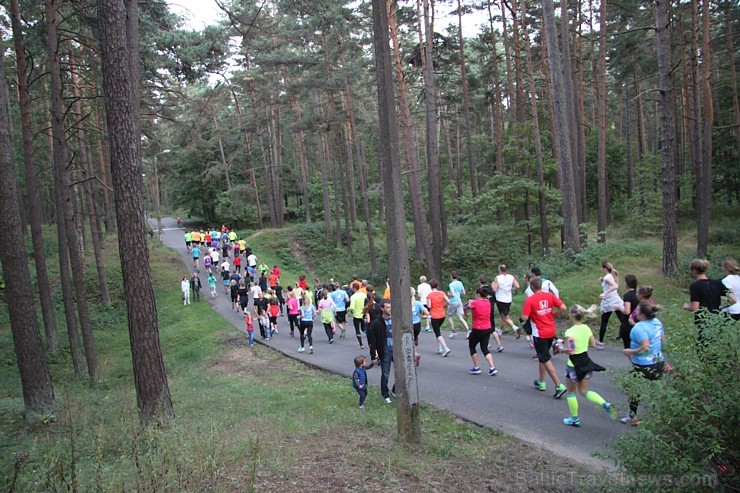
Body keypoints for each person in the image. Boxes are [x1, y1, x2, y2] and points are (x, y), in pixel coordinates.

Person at [561, 305, 616, 427]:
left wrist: (561, 349)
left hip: (573, 365)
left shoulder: (570, 332)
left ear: (571, 316)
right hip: (586, 362)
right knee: (584, 391)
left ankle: (574, 419)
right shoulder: (586, 328)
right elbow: (593, 343)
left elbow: (571, 350)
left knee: (571, 392)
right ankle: (604, 404)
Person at [521, 276, 568, 399]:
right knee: (543, 356)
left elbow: (525, 317)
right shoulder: (550, 296)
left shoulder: (530, 300)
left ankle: (559, 385)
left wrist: (522, 318)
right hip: (551, 331)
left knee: (545, 358)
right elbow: (563, 307)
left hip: (539, 333)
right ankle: (542, 382)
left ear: (532, 287)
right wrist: (554, 314)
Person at [620, 301, 666, 425]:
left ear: (641, 315)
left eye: (637, 310)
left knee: (635, 389)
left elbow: (645, 346)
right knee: (658, 388)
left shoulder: (638, 328)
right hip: (658, 360)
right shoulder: (657, 322)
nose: (635, 311)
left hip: (643, 364)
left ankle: (632, 417)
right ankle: (662, 417)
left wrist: (630, 352)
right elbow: (661, 339)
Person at [683, 259, 736, 341]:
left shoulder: (695, 286)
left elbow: (695, 308)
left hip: (703, 321)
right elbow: (733, 299)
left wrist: (686, 306)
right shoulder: (717, 283)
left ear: (694, 270)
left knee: (703, 346)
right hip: (718, 320)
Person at [367, 299, 396, 404]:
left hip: (396, 351)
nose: (390, 309)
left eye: (391, 306)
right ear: (382, 309)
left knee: (402, 372)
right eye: (388, 307)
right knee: (385, 374)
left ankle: (395, 390)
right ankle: (385, 394)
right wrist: (373, 357)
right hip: (385, 352)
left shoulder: (396, 319)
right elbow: (373, 341)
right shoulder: (377, 323)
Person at [465, 287, 498, 376]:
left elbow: (466, 307)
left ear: (478, 295)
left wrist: (468, 304)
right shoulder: (488, 302)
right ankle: (492, 367)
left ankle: (476, 367)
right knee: (484, 348)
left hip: (477, 328)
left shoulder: (475, 303)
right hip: (487, 328)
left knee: (472, 346)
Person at [597, 261, 627, 348]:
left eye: (602, 268)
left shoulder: (607, 277)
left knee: (604, 322)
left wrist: (604, 293)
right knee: (622, 320)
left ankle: (600, 342)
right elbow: (613, 285)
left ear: (605, 268)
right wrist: (603, 281)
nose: (601, 269)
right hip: (615, 300)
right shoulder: (610, 276)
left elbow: (615, 286)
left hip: (609, 302)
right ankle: (626, 337)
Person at [493, 264, 521, 340]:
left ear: (500, 270)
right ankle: (500, 332)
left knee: (505, 318)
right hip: (508, 299)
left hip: (500, 299)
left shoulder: (498, 278)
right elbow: (517, 286)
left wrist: (493, 285)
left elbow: (495, 289)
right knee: (503, 317)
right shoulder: (511, 277)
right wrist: (511, 289)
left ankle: (515, 328)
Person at [426, 280, 452, 357]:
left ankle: (445, 348)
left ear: (430, 286)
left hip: (435, 316)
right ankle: (439, 347)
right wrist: (444, 305)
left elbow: (429, 306)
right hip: (442, 315)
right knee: (438, 331)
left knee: (438, 333)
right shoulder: (442, 293)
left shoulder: (429, 295)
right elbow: (449, 301)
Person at [410, 287, 430, 367]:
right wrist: (422, 316)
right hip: (417, 324)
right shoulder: (418, 303)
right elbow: (427, 313)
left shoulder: (404, 303)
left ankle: (412, 355)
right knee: (413, 339)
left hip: (408, 324)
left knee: (408, 340)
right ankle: (415, 352)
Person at [447, 272, 469, 337]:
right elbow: (464, 292)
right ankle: (468, 330)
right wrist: (458, 293)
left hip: (453, 302)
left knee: (449, 316)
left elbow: (453, 294)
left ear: (451, 277)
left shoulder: (451, 284)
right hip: (459, 301)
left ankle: (453, 331)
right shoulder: (460, 283)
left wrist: (449, 294)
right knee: (460, 317)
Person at [620, 274, 639, 349]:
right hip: (637, 321)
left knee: (628, 347)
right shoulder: (638, 294)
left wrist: (620, 308)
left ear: (627, 284)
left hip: (628, 322)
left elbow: (627, 311)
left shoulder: (627, 296)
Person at [349, 284, 368, 348]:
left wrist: (349, 310)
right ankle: (368, 335)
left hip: (356, 315)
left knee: (357, 329)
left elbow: (352, 307)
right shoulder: (364, 295)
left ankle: (361, 344)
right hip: (363, 314)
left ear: (354, 288)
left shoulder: (353, 297)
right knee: (363, 328)